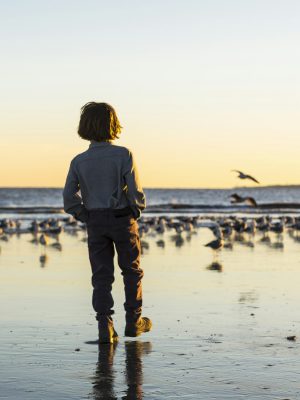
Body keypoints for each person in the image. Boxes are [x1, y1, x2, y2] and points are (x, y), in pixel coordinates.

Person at [63, 102, 152, 344]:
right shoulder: (124, 154)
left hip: (95, 220)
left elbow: (69, 198)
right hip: (122, 218)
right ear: (113, 125)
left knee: (101, 275)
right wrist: (135, 211)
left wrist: (85, 215)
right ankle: (134, 321)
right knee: (131, 271)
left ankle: (105, 325)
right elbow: (136, 193)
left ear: (84, 127)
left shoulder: (79, 160)